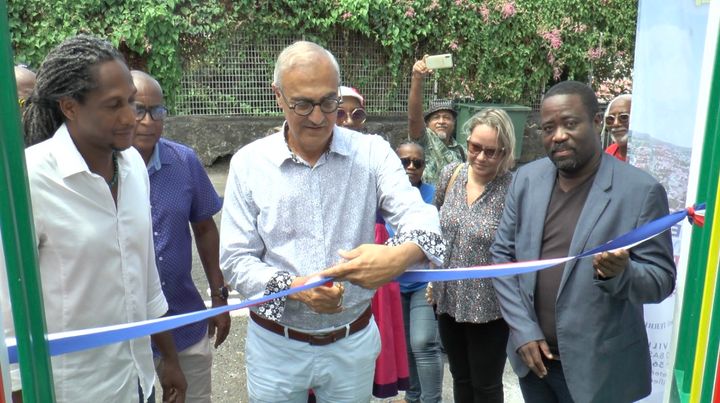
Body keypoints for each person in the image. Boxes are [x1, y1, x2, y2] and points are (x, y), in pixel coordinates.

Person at [219, 40, 444, 403]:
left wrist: (398, 257)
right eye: (302, 104)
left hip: (351, 342)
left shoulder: (371, 152)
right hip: (277, 346)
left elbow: (421, 217)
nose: (319, 117)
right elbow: (235, 260)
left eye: (328, 102)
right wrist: (294, 287)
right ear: (278, 95)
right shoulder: (249, 164)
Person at [21, 35, 186, 403]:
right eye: (114, 105)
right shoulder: (29, 181)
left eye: (130, 100)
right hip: (71, 391)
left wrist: (169, 359)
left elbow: (145, 280)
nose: (131, 117)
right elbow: (7, 314)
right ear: (69, 107)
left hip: (136, 383)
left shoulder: (132, 168)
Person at [491, 81, 675, 403]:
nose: (558, 135)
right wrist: (523, 330)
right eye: (548, 128)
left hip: (600, 371)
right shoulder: (526, 180)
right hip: (535, 363)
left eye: (569, 123)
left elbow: (661, 281)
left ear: (596, 121)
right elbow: (503, 257)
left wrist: (621, 273)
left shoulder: (640, 192)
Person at [131, 70, 231, 403]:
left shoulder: (183, 161)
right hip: (127, 335)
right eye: (138, 110)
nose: (149, 121)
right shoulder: (102, 169)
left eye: (157, 111)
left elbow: (205, 229)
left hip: (184, 322)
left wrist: (218, 297)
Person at [430, 109, 516, 403]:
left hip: (489, 308)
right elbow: (438, 224)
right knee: (460, 377)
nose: (479, 157)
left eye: (490, 152)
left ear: (505, 152)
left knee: (486, 385)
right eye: (474, 147)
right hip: (448, 300)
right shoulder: (451, 175)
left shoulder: (514, 189)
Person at [337, 85, 410, 401]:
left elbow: (406, 207)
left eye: (357, 114)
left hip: (373, 247)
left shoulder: (374, 151)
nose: (349, 121)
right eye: (340, 113)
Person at [392, 141, 444, 403]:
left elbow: (441, 238)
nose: (411, 167)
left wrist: (436, 279)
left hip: (424, 282)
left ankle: (431, 400)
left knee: (423, 343)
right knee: (406, 348)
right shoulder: (383, 195)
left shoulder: (433, 195)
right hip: (392, 284)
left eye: (418, 162)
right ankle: (413, 398)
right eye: (404, 162)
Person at [408, 55, 466, 185]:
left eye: (447, 117)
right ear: (427, 123)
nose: (441, 121)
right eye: (436, 117)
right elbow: (414, 118)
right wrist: (417, 78)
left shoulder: (462, 151)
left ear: (454, 123)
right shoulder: (424, 139)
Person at [602, 94, 632, 161]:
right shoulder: (610, 152)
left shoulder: (654, 154)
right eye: (610, 119)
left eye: (624, 117)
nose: (615, 124)